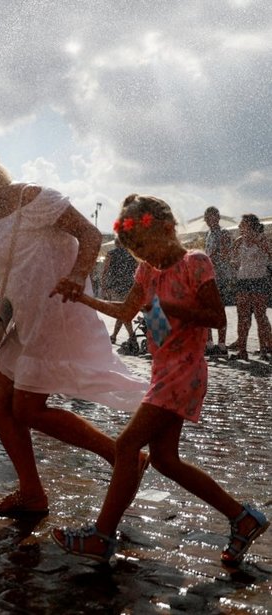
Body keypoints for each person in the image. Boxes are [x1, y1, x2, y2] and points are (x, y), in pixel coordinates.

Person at [52, 193, 269, 565]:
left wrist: (169, 307)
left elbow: (217, 317)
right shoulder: (147, 272)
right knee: (166, 460)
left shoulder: (195, 263)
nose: (142, 255)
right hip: (162, 370)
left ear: (167, 229)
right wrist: (83, 299)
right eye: (134, 249)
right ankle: (243, 518)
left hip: (184, 372)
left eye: (144, 245)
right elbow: (125, 310)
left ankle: (101, 536)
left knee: (125, 447)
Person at [0, 143, 146, 517]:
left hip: (55, 315)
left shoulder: (35, 198)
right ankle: (32, 493)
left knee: (27, 408)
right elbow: (17, 262)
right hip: (24, 317)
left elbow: (90, 235)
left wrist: (77, 276)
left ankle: (121, 455)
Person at [228, 214, 272, 360]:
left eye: (242, 224)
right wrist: (234, 262)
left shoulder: (263, 239)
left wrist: (257, 242)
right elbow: (234, 260)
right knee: (243, 317)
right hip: (243, 280)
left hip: (259, 279)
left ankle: (265, 350)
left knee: (260, 316)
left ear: (250, 225)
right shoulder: (239, 241)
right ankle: (242, 350)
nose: (240, 226)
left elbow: (270, 254)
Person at [203, 206, 233, 356]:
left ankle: (221, 344)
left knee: (219, 309)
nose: (208, 220)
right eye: (207, 218)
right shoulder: (207, 234)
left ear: (218, 217)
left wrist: (211, 257)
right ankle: (209, 343)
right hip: (208, 276)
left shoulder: (224, 233)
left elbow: (227, 253)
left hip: (221, 276)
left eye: (211, 217)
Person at [100, 238, 138, 348]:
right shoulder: (132, 254)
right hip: (129, 286)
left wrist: (103, 285)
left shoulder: (111, 254)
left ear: (116, 244)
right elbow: (136, 269)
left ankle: (131, 336)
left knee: (122, 311)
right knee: (122, 310)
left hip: (115, 285)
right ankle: (114, 335)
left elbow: (105, 270)